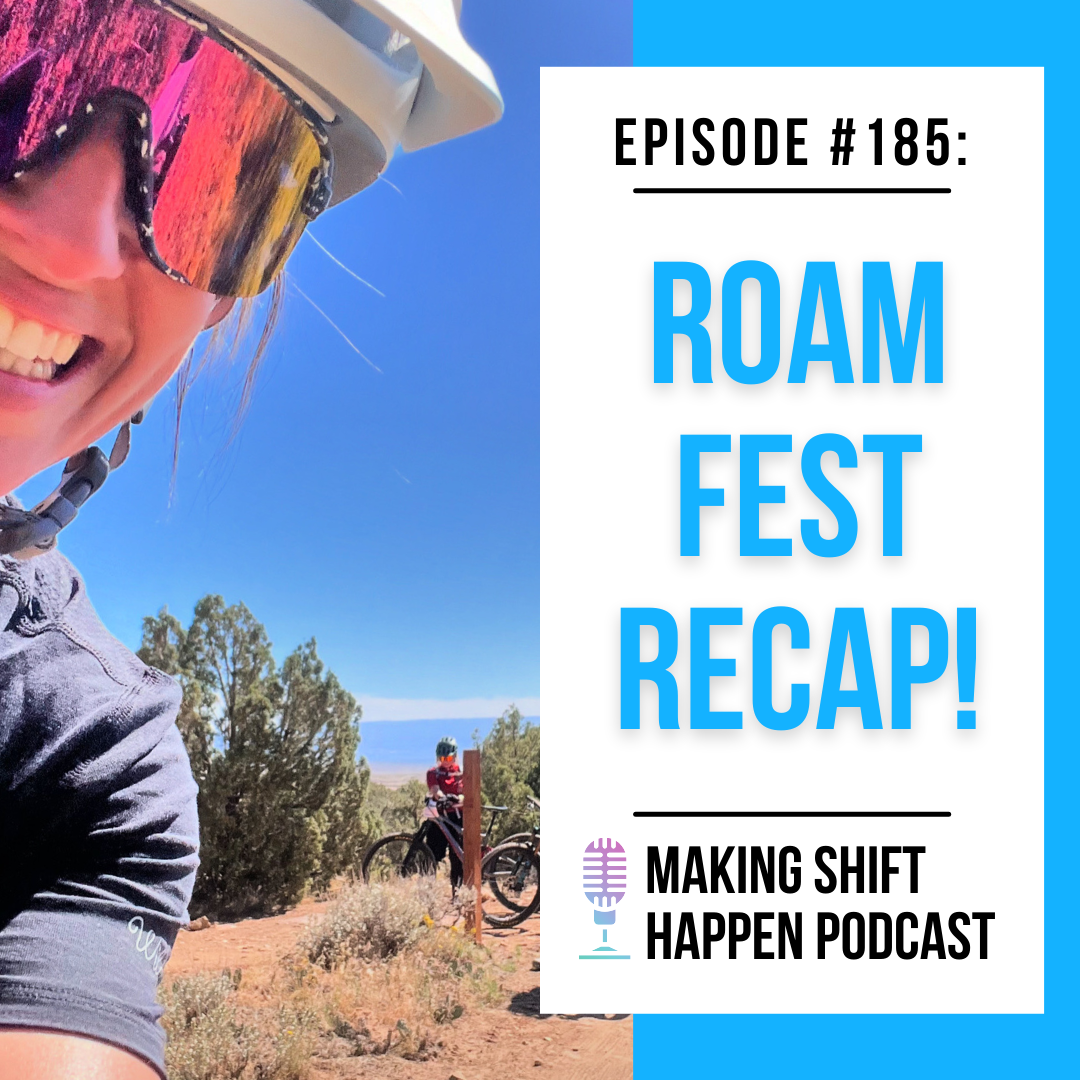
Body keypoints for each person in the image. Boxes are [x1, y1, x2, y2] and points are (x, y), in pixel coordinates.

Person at [0, 2, 501, 1078]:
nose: (76, 236)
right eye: (18, 49)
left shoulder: (90, 775)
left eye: (216, 170)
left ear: (224, 301)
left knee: (447, 854)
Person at [424, 734, 464, 887]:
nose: (445, 762)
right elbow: (435, 790)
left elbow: (464, 794)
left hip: (458, 819)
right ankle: (428, 890)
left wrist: (457, 798)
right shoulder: (433, 772)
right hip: (439, 819)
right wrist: (443, 797)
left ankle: (458, 893)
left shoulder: (461, 773)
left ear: (454, 756)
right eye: (441, 758)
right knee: (432, 855)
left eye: (448, 759)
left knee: (457, 858)